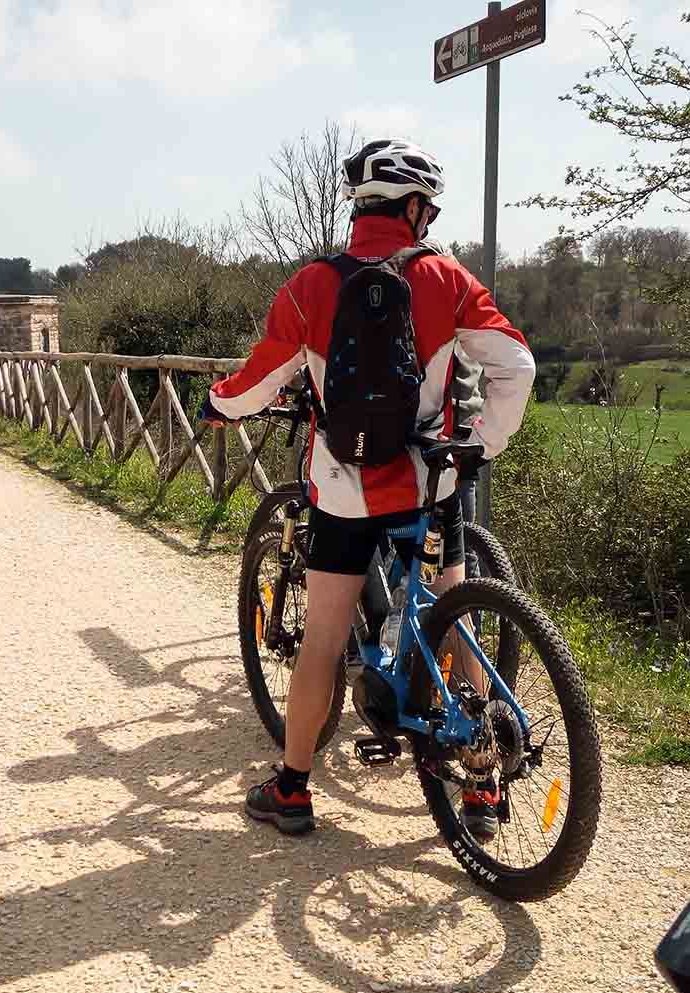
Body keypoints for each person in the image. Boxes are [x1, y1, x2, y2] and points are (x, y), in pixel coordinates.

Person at [199, 138, 534, 839]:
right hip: (430, 482)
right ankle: (482, 786)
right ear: (411, 208)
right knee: (455, 615)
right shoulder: (446, 278)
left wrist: (218, 403)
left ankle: (292, 789)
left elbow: (258, 382)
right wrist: (482, 442)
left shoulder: (311, 285)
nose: (430, 219)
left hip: (343, 490)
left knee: (322, 636)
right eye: (428, 208)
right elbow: (516, 365)